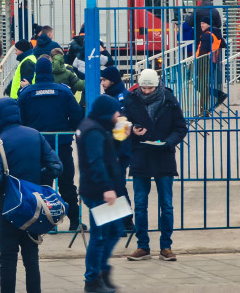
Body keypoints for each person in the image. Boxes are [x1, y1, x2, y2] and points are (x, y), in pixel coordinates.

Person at [0, 98, 63, 293]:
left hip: (8, 207)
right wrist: (35, 180)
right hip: (34, 205)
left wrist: (4, 189)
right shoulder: (35, 135)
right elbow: (56, 166)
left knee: (8, 257)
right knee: (31, 257)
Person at [124, 69, 188, 262]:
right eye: (143, 87)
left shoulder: (169, 100)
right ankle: (142, 246)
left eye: (150, 87)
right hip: (141, 156)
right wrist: (132, 130)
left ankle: (166, 246)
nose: (146, 91)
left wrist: (168, 142)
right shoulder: (131, 100)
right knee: (140, 204)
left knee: (166, 205)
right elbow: (121, 125)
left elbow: (180, 128)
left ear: (157, 85)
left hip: (163, 156)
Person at [18, 58, 85, 231]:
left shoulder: (26, 93)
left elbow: (20, 120)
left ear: (36, 73)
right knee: (67, 183)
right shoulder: (63, 91)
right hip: (61, 144)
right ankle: (75, 222)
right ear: (50, 72)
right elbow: (77, 116)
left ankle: (44, 223)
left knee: (41, 185)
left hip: (36, 147)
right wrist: (69, 128)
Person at [76, 95, 127, 293]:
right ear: (107, 111)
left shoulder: (95, 126)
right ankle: (93, 280)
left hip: (100, 188)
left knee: (114, 230)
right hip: (99, 190)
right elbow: (96, 161)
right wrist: (107, 188)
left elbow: (108, 153)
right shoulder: (94, 131)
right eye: (116, 111)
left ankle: (101, 272)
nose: (118, 115)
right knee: (99, 236)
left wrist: (120, 136)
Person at [100, 66, 133, 233]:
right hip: (109, 150)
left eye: (104, 80)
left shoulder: (123, 98)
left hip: (120, 151)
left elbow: (123, 129)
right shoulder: (108, 97)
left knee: (117, 186)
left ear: (112, 80)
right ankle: (116, 222)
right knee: (110, 185)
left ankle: (126, 222)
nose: (102, 83)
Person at [196, 16, 227, 110]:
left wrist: (197, 61)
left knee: (199, 85)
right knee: (203, 85)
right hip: (212, 61)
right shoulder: (216, 34)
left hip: (204, 62)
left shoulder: (207, 35)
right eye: (201, 23)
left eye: (204, 24)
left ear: (209, 24)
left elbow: (203, 50)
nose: (201, 25)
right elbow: (223, 45)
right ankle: (205, 109)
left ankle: (205, 108)